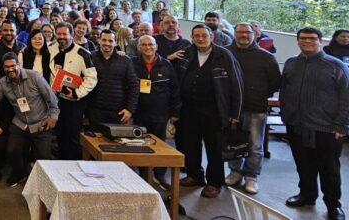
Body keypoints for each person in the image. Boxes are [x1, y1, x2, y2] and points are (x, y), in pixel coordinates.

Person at [280, 27, 349, 220]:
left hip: (327, 129)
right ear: (298, 41)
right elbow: (285, 91)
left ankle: (333, 205)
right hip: (297, 125)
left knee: (329, 169)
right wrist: (286, 115)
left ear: (320, 41)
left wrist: (344, 125)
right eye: (303, 38)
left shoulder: (336, 66)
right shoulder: (291, 64)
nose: (307, 42)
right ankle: (307, 195)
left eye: (312, 39)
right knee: (303, 165)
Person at [0, 53, 58, 187]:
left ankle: (43, 184)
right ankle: (19, 174)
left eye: (13, 65)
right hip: (20, 123)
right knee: (11, 150)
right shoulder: (3, 83)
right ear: (3, 68)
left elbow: (52, 98)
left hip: (40, 122)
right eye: (7, 67)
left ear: (18, 64)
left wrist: (53, 117)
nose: (10, 69)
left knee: (43, 157)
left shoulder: (34, 77)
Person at [175, 24, 243, 199]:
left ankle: (214, 182)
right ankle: (194, 175)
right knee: (190, 144)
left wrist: (235, 113)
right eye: (196, 36)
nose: (200, 39)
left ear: (211, 37)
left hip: (214, 110)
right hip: (189, 108)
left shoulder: (224, 55)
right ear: (192, 37)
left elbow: (236, 85)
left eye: (204, 35)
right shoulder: (187, 53)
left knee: (214, 148)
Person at [225, 23, 281, 194]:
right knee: (233, 141)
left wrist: (257, 93)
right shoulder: (225, 53)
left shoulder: (266, 57)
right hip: (231, 108)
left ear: (255, 34)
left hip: (255, 107)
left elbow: (275, 83)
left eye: (247, 33)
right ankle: (235, 171)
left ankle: (251, 176)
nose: (243, 35)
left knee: (254, 145)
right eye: (239, 32)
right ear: (234, 34)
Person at [132, 35, 179, 190]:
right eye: (143, 44)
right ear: (139, 47)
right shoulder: (132, 64)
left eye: (150, 44)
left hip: (160, 114)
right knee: (139, 145)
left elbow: (174, 89)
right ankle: (143, 175)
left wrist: (174, 112)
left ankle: (159, 175)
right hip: (139, 114)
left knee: (159, 146)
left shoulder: (166, 65)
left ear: (156, 46)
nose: (147, 47)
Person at [49, 23, 99, 160]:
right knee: (59, 135)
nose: (61, 37)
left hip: (73, 103)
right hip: (54, 101)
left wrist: (77, 93)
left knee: (72, 136)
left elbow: (92, 78)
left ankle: (74, 164)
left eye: (64, 34)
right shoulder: (50, 49)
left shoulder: (83, 53)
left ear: (71, 35)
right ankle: (61, 163)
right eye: (58, 34)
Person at [85, 29, 136, 131]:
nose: (107, 43)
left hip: (118, 112)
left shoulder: (125, 60)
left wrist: (130, 109)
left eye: (110, 41)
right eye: (104, 40)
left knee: (115, 144)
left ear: (115, 43)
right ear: (99, 41)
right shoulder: (90, 57)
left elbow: (133, 86)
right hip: (94, 110)